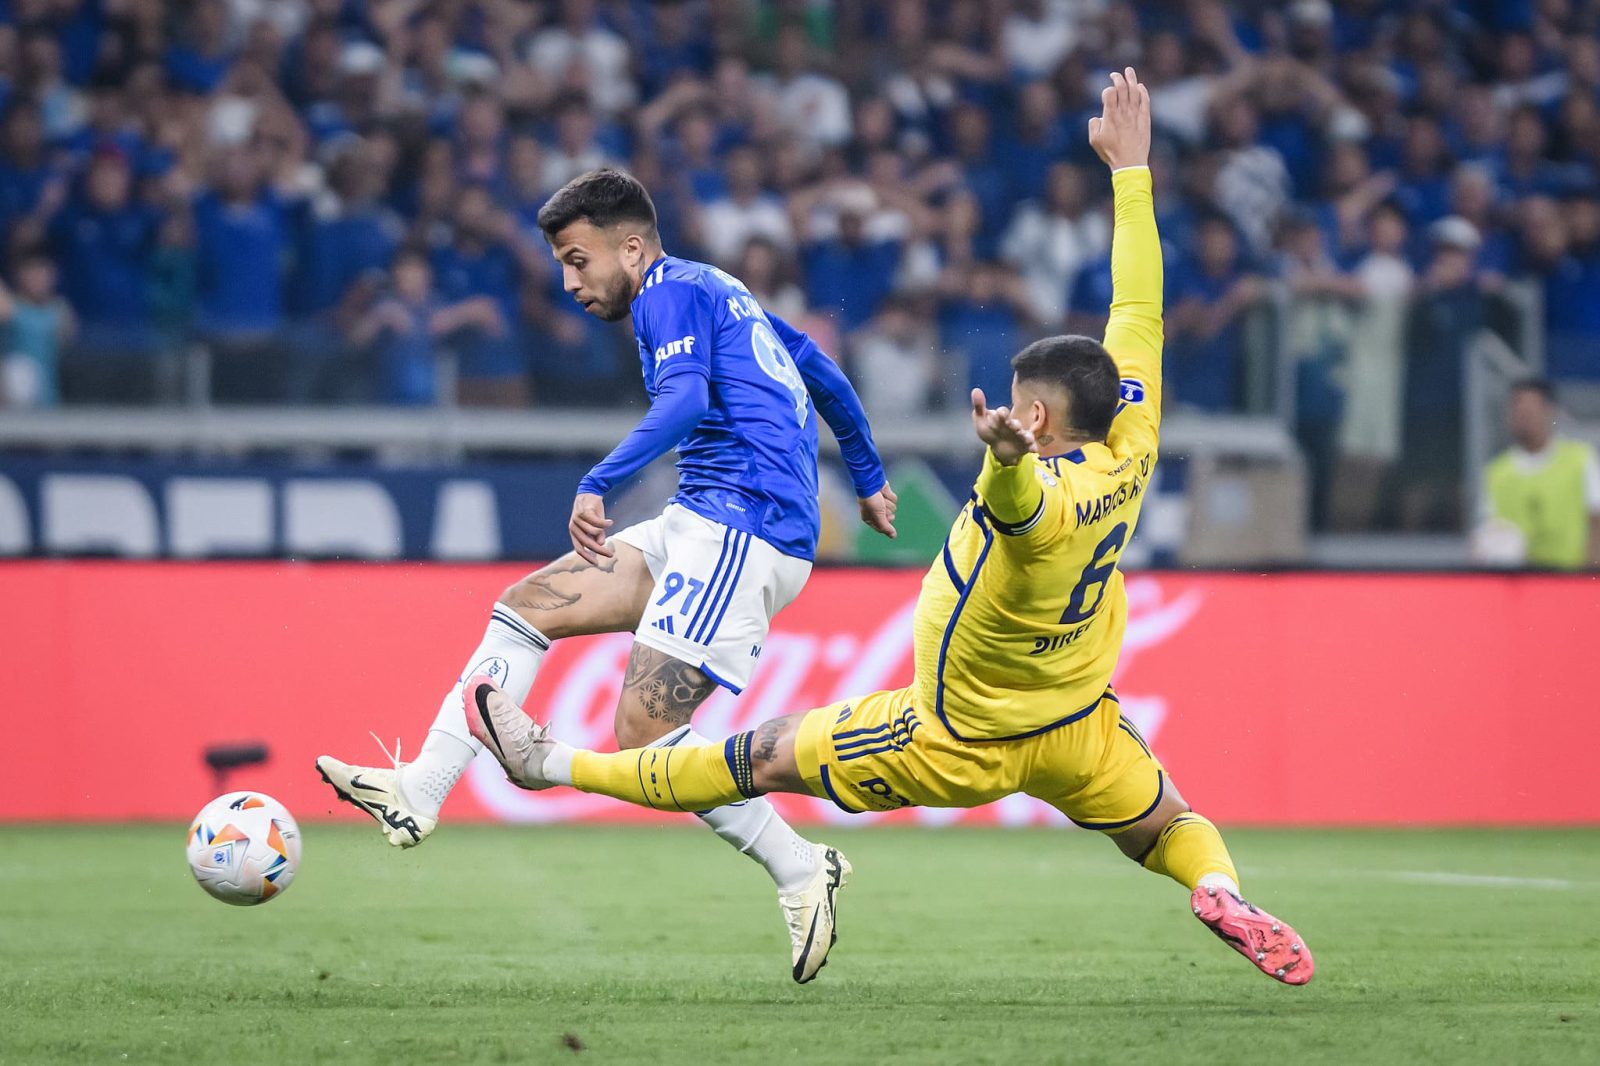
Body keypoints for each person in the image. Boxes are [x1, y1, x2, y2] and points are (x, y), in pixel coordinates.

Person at [462, 70, 1314, 989]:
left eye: (1019, 404)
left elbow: (1021, 504)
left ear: (1036, 418)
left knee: (745, 761)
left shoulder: (1035, 492)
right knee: (1168, 824)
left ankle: (546, 760)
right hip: (1081, 725)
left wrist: (1003, 453)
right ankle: (1219, 888)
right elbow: (1138, 307)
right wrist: (1132, 173)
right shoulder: (1132, 442)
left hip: (952, 734)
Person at [317, 166, 898, 982]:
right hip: (702, 517)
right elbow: (823, 372)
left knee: (644, 736)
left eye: (577, 260)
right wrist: (868, 478)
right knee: (527, 605)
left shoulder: (667, 292)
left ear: (631, 248)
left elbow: (686, 401)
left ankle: (799, 865)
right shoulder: (717, 289)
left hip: (745, 525)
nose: (569, 282)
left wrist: (598, 481)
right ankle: (423, 788)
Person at [1476, 379, 1600, 570]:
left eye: (1530, 411)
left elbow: (1596, 521)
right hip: (1519, 582)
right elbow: (1489, 534)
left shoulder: (1579, 459)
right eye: (1518, 411)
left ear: (1549, 412)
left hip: (1571, 576)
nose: (1524, 418)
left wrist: (1590, 574)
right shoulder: (1496, 473)